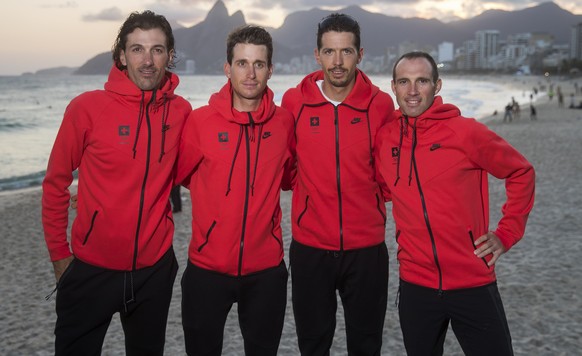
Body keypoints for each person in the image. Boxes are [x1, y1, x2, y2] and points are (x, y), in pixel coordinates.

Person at [41, 10, 192, 355]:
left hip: (154, 271)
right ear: (122, 56)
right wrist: (59, 256)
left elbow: (192, 173)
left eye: (157, 49)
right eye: (137, 49)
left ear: (169, 56)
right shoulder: (87, 108)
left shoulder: (181, 112)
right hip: (91, 270)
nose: (148, 60)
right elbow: (55, 184)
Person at [375, 51, 535, 356]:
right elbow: (384, 190)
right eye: (404, 82)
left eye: (421, 81)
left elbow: (521, 172)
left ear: (437, 86)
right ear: (392, 87)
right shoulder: (385, 140)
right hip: (415, 284)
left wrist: (506, 233)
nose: (412, 91)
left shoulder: (465, 132)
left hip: (471, 280)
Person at [176, 25, 295, 356]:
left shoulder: (284, 123)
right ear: (227, 68)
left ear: (270, 69)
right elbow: (171, 176)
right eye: (242, 63)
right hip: (206, 269)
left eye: (259, 64)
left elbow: (291, 176)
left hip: (267, 271)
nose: (251, 73)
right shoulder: (200, 123)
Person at [281, 13, 395, 355]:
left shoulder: (380, 104)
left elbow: (388, 171)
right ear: (317, 55)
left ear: (360, 54)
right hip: (310, 248)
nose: (338, 61)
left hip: (367, 250)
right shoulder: (294, 102)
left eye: (346, 52)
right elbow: (287, 168)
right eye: (329, 52)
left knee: (366, 344)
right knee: (313, 344)